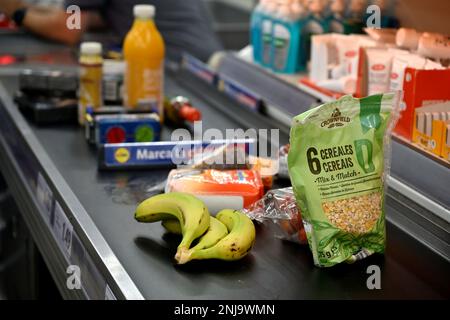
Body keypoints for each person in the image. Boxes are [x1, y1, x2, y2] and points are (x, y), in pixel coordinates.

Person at [0, 0, 223, 62]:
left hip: (172, 67)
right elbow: (87, 18)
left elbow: (69, 29)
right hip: (207, 61)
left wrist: (18, 14)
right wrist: (27, 9)